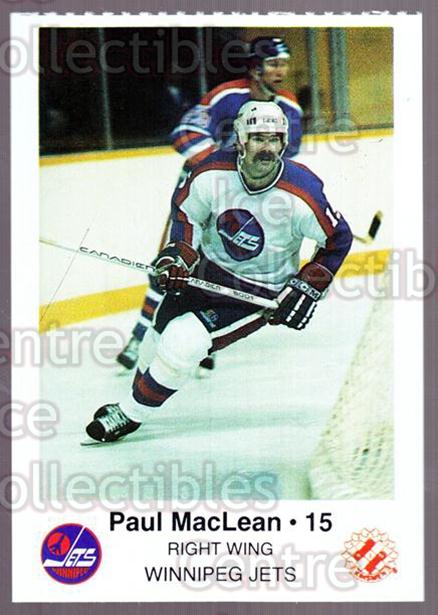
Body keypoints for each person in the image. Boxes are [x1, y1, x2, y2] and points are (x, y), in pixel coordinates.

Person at [85, 101, 352, 443]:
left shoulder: (303, 191)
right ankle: (134, 401)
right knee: (157, 337)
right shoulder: (211, 172)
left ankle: (129, 413)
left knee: (183, 341)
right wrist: (179, 256)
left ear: (284, 142)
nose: (267, 148)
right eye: (258, 138)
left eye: (274, 139)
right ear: (240, 140)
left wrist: (307, 286)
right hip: (205, 273)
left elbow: (338, 238)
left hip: (256, 293)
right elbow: (187, 214)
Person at [116, 37, 304, 372]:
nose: (281, 71)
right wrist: (223, 172)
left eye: (285, 63)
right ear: (255, 68)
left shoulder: (289, 107)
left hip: (243, 201)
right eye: (274, 63)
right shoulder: (226, 97)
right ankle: (139, 336)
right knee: (175, 260)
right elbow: (185, 133)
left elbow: (285, 158)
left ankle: (202, 339)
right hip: (200, 192)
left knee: (218, 266)